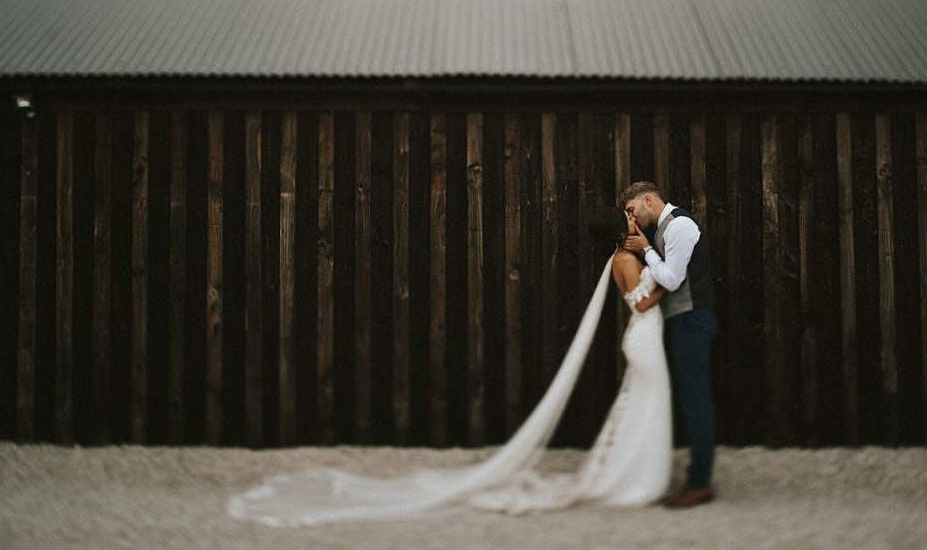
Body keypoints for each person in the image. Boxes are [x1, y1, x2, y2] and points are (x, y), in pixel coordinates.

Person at [227, 206, 674, 527]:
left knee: (643, 408)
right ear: (622, 229)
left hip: (647, 339)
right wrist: (669, 284)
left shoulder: (629, 255)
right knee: (647, 406)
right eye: (629, 216)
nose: (634, 217)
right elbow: (639, 304)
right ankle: (633, 481)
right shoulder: (624, 261)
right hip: (645, 336)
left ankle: (633, 477)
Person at [621, 180, 718, 508]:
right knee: (690, 399)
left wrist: (646, 249)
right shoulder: (664, 229)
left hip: (693, 320)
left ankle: (700, 482)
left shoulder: (679, 226)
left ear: (648, 200)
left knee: (695, 401)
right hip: (682, 321)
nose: (631, 219)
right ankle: (692, 476)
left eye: (633, 210)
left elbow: (673, 279)